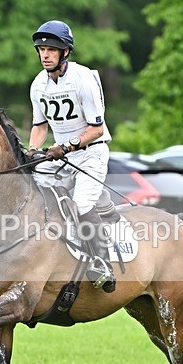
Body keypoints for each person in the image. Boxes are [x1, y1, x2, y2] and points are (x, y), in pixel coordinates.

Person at [26, 20, 116, 292]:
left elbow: (97, 127)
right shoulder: (38, 84)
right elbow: (40, 125)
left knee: (79, 205)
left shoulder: (83, 78)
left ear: (65, 52)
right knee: (35, 196)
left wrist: (66, 146)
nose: (45, 54)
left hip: (91, 153)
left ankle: (103, 263)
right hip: (61, 157)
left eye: (52, 49)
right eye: (41, 49)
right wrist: (31, 151)